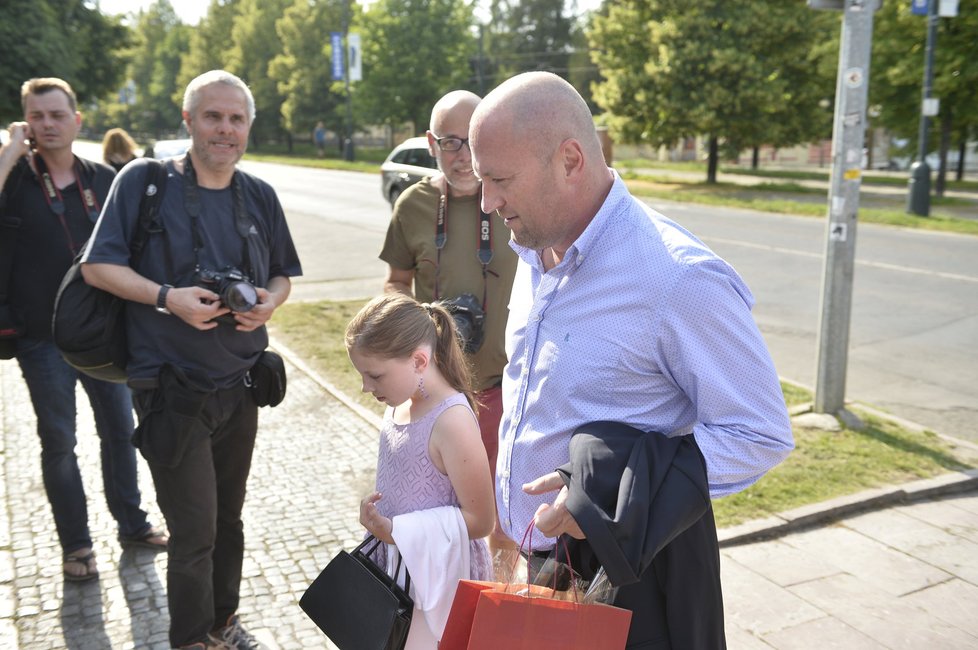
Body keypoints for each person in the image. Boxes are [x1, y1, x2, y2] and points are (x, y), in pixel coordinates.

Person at [469, 71, 794, 648]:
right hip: (547, 560)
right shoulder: (535, 247)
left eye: (499, 180)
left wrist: (601, 495)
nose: (488, 201)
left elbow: (759, 433)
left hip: (635, 577)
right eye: (481, 179)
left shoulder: (677, 278)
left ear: (570, 159)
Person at [80, 70, 302, 650]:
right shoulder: (144, 182)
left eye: (236, 119)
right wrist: (166, 297)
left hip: (240, 385)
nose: (224, 129)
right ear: (189, 121)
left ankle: (223, 623)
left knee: (229, 519)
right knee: (195, 531)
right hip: (170, 392)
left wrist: (268, 303)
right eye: (213, 116)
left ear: (248, 126)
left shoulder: (258, 195)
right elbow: (96, 267)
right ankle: (190, 640)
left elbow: (281, 274)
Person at [0, 78, 168, 584]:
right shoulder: (15, 178)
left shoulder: (104, 178)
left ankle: (133, 525)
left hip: (103, 335)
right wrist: (10, 151)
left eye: (56, 115)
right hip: (40, 336)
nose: (47, 124)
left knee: (120, 432)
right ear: (25, 123)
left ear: (77, 121)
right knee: (59, 441)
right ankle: (76, 545)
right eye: (36, 117)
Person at [379, 90, 517, 563]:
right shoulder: (413, 205)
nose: (463, 157)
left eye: (473, 141)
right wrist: (410, 320)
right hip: (436, 392)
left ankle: (495, 613)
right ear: (430, 143)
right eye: (449, 142)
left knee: (503, 519)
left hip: (506, 386)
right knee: (438, 510)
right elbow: (396, 281)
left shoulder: (510, 196)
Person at [346, 292, 494, 648]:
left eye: (375, 376)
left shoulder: (452, 421)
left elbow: (481, 520)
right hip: (397, 565)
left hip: (438, 579)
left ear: (418, 360)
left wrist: (399, 531)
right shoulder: (399, 404)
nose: (366, 387)